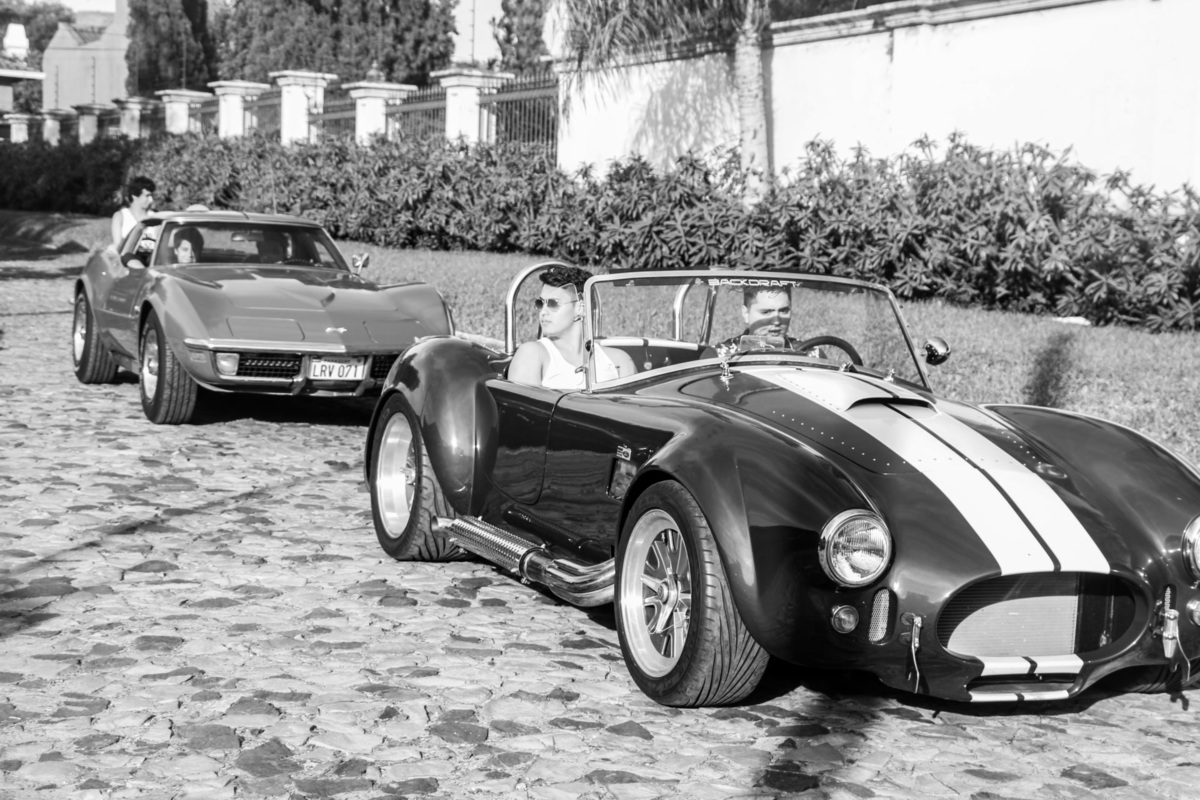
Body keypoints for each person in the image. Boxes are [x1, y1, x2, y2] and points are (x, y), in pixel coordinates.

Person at [509, 265, 637, 391]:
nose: (543, 312)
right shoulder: (532, 354)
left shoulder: (619, 360)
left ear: (581, 307)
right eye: (540, 303)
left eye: (553, 303)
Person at [701, 285, 806, 358]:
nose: (776, 321)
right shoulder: (718, 356)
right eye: (766, 312)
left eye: (784, 311)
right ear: (746, 313)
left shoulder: (808, 353)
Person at [111, 176, 156, 249]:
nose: (151, 200)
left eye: (151, 196)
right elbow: (117, 246)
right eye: (147, 196)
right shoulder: (120, 217)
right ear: (134, 196)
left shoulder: (155, 217)